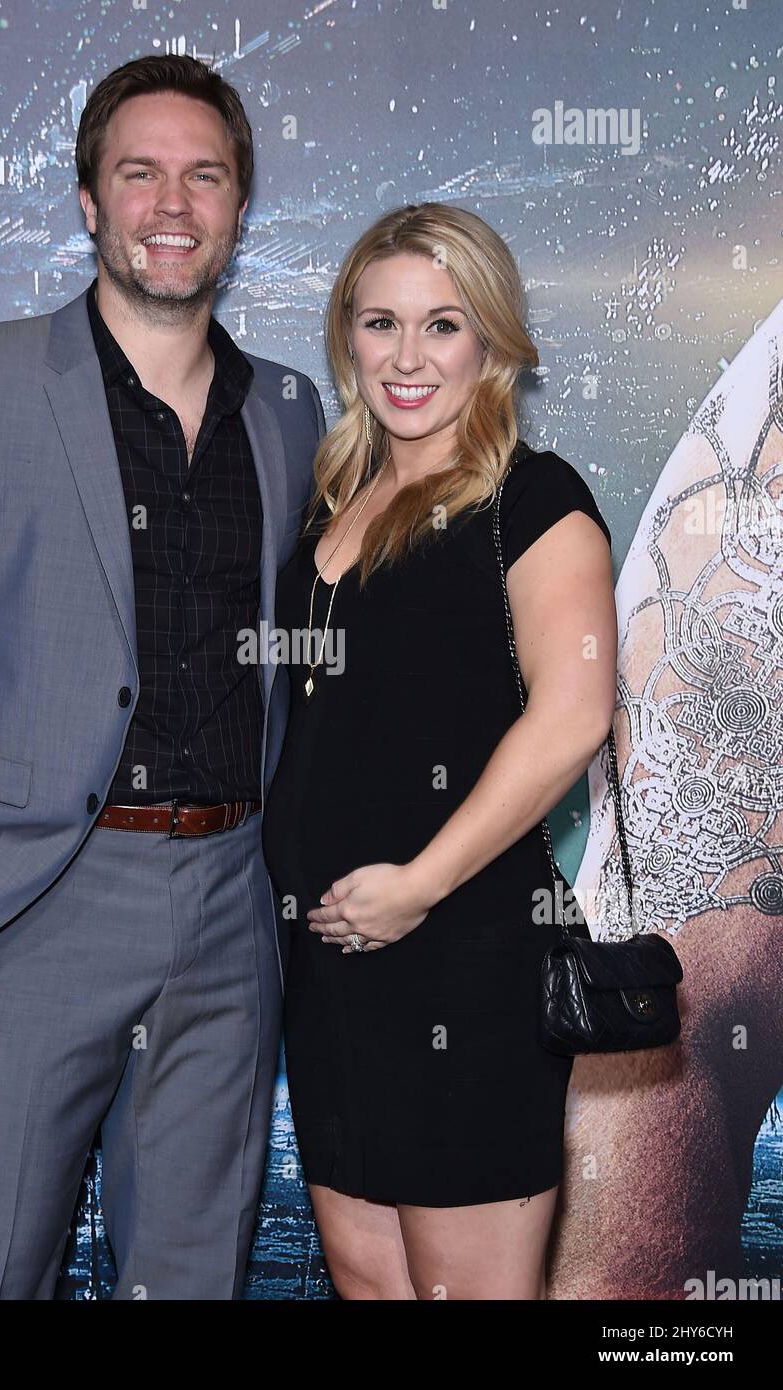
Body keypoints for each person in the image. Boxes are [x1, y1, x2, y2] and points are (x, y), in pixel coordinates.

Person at [0, 54, 324, 1300]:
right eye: (141, 174)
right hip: (31, 904)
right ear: (89, 201)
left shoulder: (288, 411)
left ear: (238, 203)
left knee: (190, 1275)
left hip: (229, 906)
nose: (173, 204)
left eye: (203, 176)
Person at [261, 201, 618, 1300]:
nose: (408, 358)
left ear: (494, 341)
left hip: (464, 957)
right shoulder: (333, 496)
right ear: (347, 338)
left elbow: (575, 712)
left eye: (443, 325)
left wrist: (417, 884)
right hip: (332, 974)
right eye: (380, 325)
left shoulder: (535, 499)